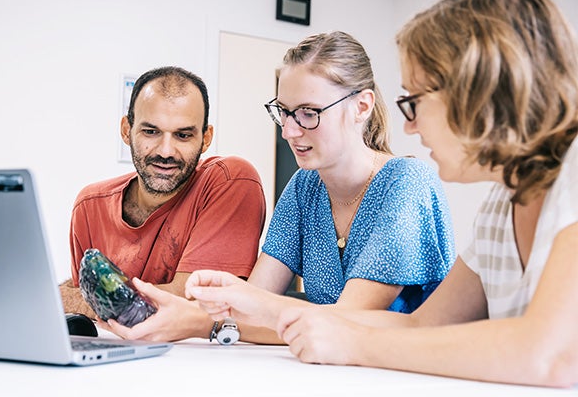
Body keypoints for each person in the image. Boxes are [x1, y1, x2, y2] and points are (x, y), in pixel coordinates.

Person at [186, 0, 578, 387]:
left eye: (414, 102)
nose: (408, 125)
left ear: (480, 93)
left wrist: (353, 343)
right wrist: (249, 304)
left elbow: (552, 354)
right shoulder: (502, 201)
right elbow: (424, 324)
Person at [109, 32, 455, 344]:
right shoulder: (305, 187)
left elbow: (347, 321)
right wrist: (209, 310)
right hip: (337, 369)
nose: (289, 132)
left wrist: (203, 322)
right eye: (284, 113)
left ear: (361, 107)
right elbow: (253, 306)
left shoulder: (406, 184)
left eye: (308, 113)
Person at [58, 66, 266, 319]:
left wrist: (64, 298)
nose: (166, 151)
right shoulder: (90, 205)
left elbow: (198, 304)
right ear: (127, 130)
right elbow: (86, 303)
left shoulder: (228, 180)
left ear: (206, 138)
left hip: (198, 358)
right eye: (151, 132)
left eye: (183, 135)